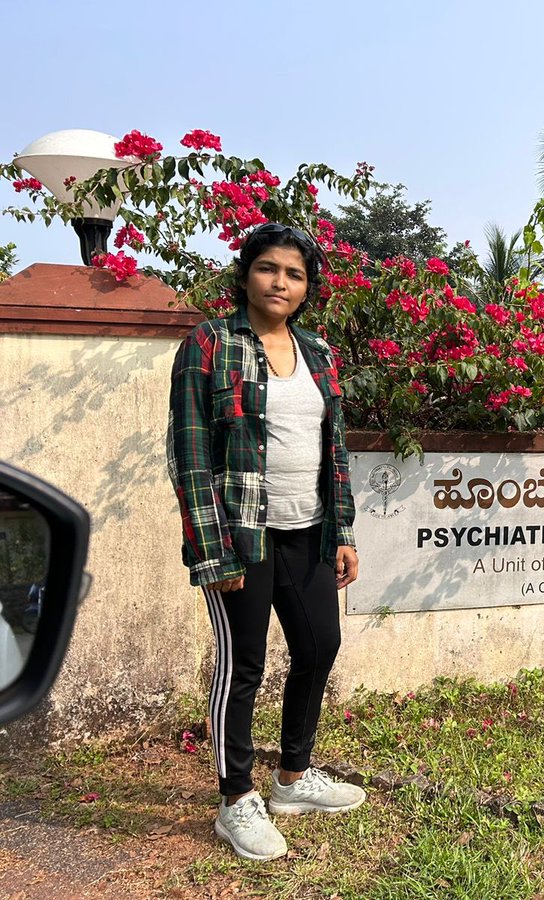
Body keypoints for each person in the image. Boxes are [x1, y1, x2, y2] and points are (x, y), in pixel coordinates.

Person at [167, 222, 365, 861]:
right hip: (240, 538)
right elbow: (190, 453)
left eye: (295, 274)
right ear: (246, 274)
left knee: (319, 645)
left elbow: (332, 451)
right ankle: (235, 800)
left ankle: (292, 778)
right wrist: (212, 550)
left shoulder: (318, 351)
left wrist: (341, 531)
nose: (281, 282)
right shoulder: (210, 344)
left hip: (307, 532)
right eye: (268, 269)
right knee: (243, 665)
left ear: (308, 287)